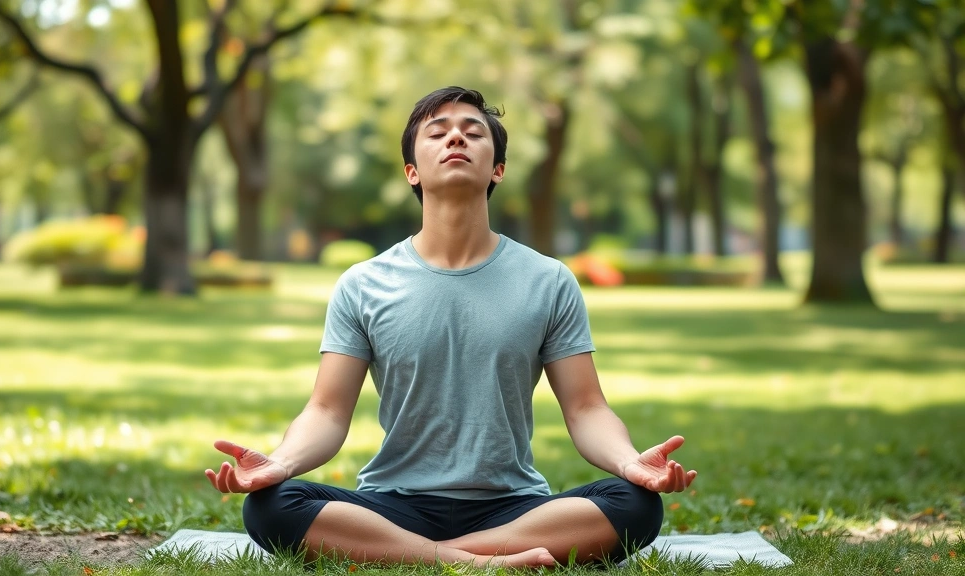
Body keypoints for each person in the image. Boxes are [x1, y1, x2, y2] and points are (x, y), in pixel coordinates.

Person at [205, 86, 696, 568]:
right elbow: (327, 411)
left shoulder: (548, 280)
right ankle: (475, 563)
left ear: (497, 169)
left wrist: (629, 462)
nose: (456, 138)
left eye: (473, 132)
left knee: (635, 504)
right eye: (438, 132)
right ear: (412, 171)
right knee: (271, 506)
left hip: (513, 507)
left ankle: (423, 557)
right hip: (393, 505)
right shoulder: (364, 284)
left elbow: (586, 408)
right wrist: (281, 463)